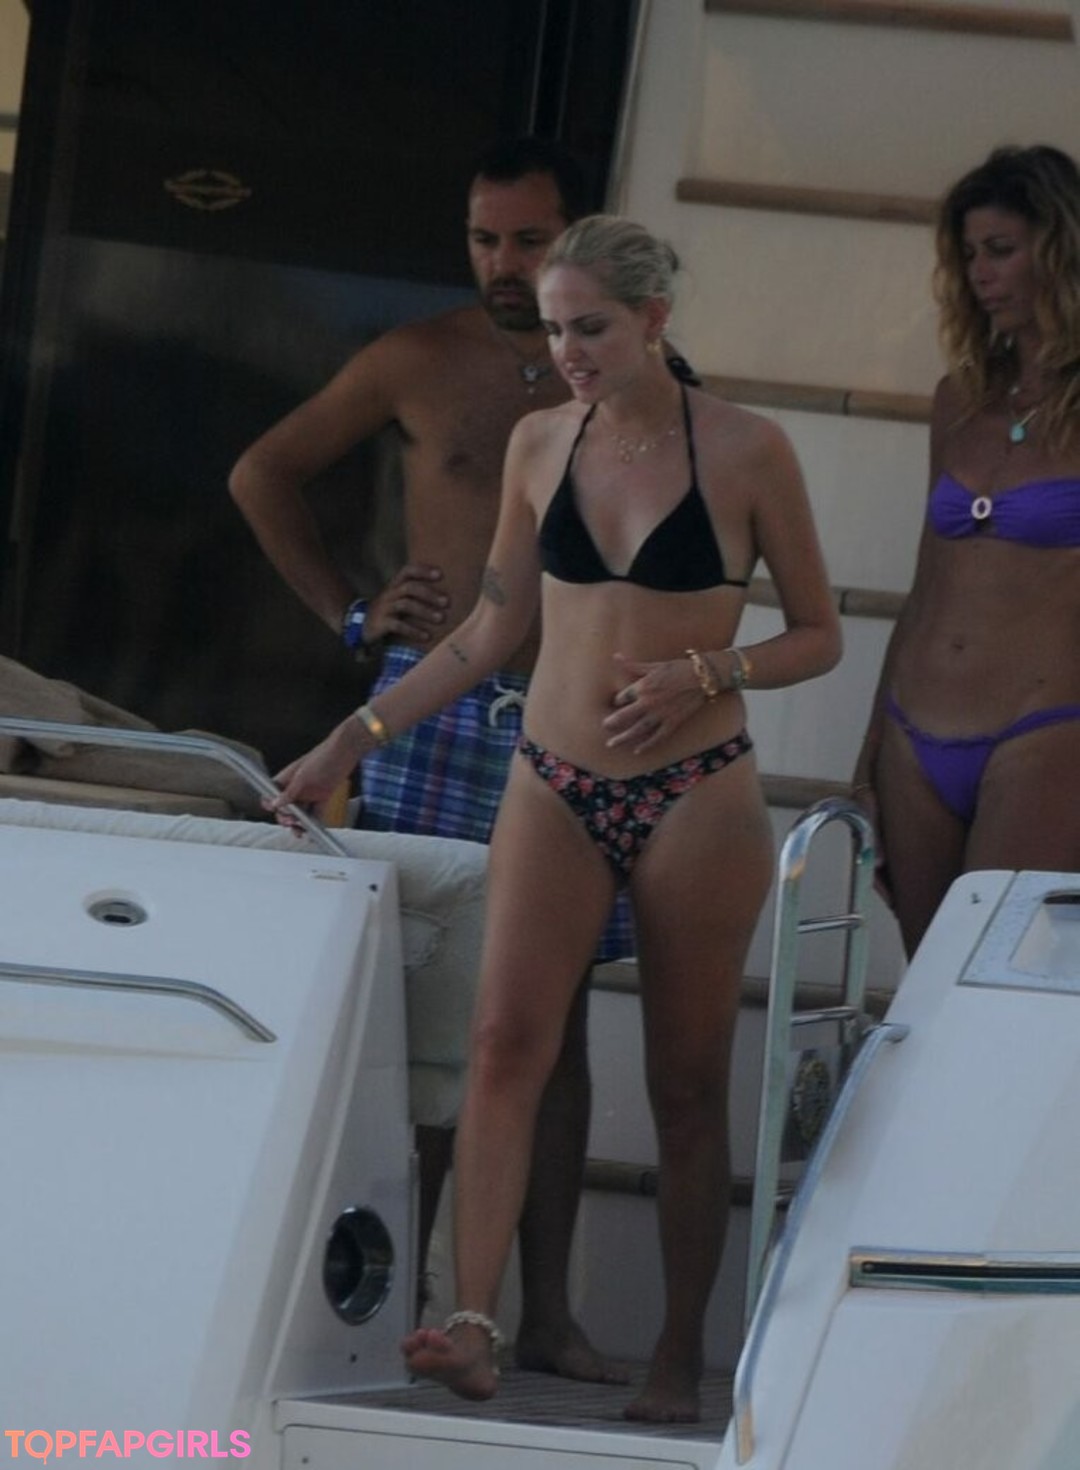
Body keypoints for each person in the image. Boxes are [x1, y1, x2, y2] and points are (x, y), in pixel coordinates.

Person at [269, 214, 841, 1422]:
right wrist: (349, 739)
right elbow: (489, 633)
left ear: (653, 321)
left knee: (684, 1085)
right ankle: (473, 1326)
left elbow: (819, 634)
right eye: (552, 327)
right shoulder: (540, 444)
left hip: (696, 787)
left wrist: (709, 671)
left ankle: (679, 1352)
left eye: (591, 328)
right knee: (501, 1047)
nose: (567, 351)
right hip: (553, 777)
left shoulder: (748, 449)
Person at [230, 137, 633, 1383]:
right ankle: (392, 1310)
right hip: (431, 714)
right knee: (419, 1014)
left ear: (577, 237)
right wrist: (351, 614)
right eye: (483, 239)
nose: (503, 264)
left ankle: (544, 1314)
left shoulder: (629, 375)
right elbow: (262, 472)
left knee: (554, 1022)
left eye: (528, 239)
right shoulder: (418, 357)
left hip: (570, 713)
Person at [852, 144, 1080, 959]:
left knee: (999, 985)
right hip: (914, 734)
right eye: (970, 253)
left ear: (1060, 251)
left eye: (1002, 250)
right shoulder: (961, 398)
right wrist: (868, 755)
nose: (981, 273)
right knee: (926, 982)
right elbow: (925, 586)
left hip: (1045, 729)